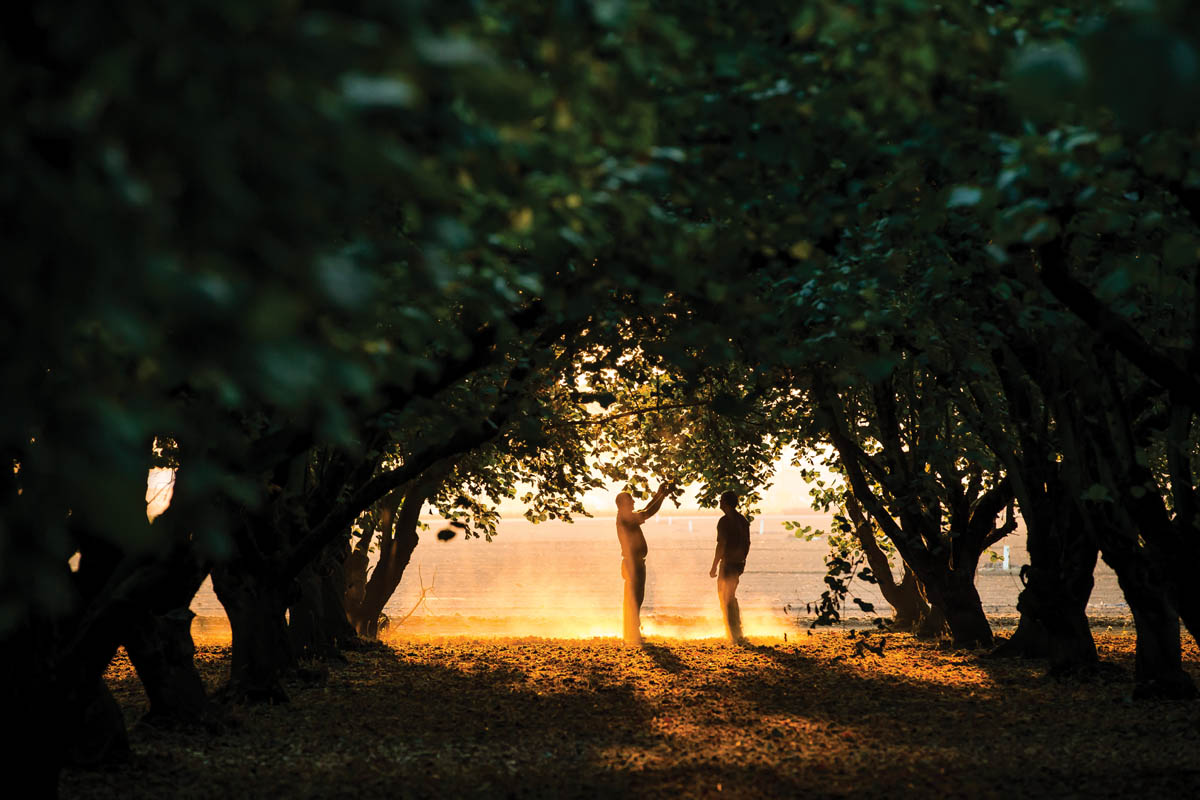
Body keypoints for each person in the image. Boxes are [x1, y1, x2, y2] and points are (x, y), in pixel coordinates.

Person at [616, 483, 671, 644]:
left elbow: (646, 510)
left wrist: (659, 494)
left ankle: (631, 632)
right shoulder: (626, 518)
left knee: (635, 598)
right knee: (634, 598)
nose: (633, 503)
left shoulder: (626, 516)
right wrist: (661, 495)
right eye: (630, 501)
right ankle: (632, 634)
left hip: (634, 563)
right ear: (623, 504)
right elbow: (648, 512)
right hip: (633, 564)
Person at [709, 490, 750, 643]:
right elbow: (747, 543)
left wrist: (714, 566)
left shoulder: (724, 521)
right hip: (739, 563)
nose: (719, 502)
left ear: (725, 503)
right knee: (730, 595)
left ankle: (733, 630)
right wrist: (743, 560)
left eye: (721, 500)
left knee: (724, 595)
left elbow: (721, 544)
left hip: (728, 563)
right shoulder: (743, 520)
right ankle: (735, 628)